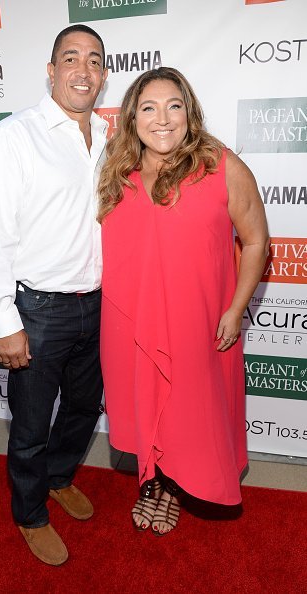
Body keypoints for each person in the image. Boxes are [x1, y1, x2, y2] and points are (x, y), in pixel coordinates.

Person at [98, 67, 269, 536]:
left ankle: (173, 486)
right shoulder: (118, 171)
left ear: (189, 113)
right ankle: (153, 482)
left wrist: (235, 309)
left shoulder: (220, 165)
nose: (163, 119)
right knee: (146, 405)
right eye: (148, 108)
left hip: (196, 320)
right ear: (132, 118)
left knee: (189, 411)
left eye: (174, 106)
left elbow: (256, 242)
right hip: (129, 321)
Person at [0, 24, 108, 565]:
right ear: (51, 71)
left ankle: (57, 477)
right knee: (30, 425)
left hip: (97, 303)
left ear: (103, 76)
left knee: (81, 408)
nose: (83, 70)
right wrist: (2, 319)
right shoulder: (15, 135)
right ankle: (29, 512)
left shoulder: (108, 137)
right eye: (70, 58)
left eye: (94, 60)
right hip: (39, 309)